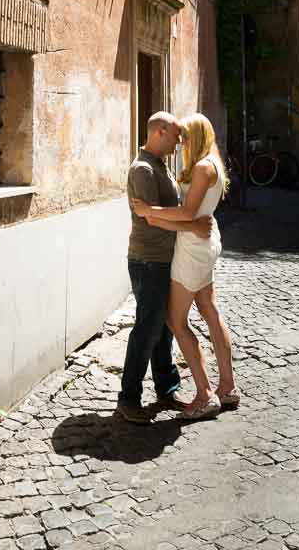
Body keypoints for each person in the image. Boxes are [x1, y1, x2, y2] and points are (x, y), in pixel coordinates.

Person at [132, 112, 239, 421]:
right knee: (209, 310)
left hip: (193, 250)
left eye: (185, 137)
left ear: (197, 137)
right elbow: (195, 217)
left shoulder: (204, 167)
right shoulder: (212, 164)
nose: (180, 142)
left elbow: (188, 212)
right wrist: (158, 217)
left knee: (174, 319)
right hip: (204, 242)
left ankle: (205, 395)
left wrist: (150, 212)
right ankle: (228, 388)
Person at [115, 111, 214, 425]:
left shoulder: (161, 166)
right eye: (175, 135)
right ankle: (128, 398)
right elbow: (153, 218)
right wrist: (193, 227)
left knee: (164, 327)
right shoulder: (143, 169)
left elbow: (170, 213)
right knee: (148, 326)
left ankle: (166, 387)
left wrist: (190, 226)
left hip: (164, 259)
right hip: (148, 260)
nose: (179, 141)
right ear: (159, 131)